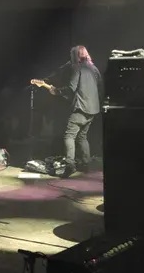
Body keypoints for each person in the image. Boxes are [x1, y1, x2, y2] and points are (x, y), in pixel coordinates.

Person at [31, 45, 102, 176]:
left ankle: (70, 166)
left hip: (81, 108)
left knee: (69, 136)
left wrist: (56, 91)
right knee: (82, 137)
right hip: (93, 109)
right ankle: (85, 164)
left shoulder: (77, 68)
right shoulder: (94, 69)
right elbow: (98, 87)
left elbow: (71, 88)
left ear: (75, 55)